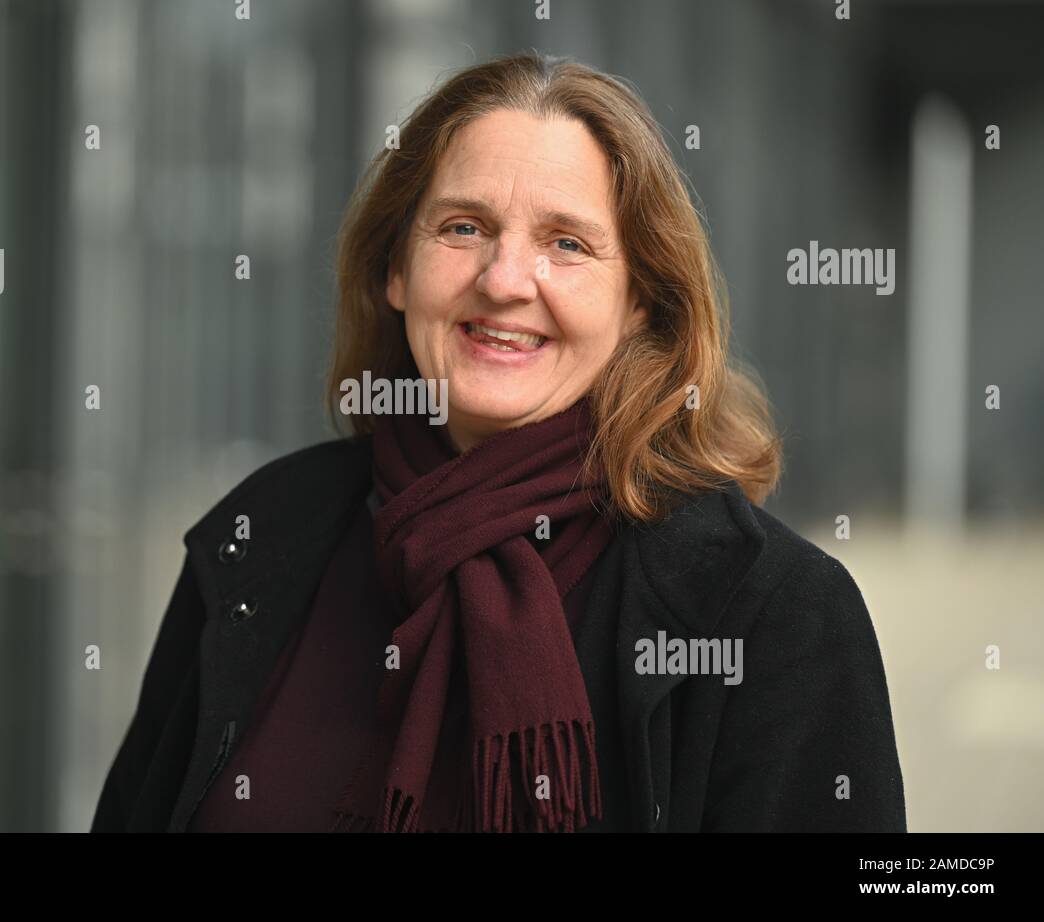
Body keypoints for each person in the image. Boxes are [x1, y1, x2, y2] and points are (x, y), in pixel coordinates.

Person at [91, 50, 906, 833]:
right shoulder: (260, 537)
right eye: (463, 227)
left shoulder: (770, 611)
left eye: (567, 243)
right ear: (395, 271)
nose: (505, 279)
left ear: (638, 304)